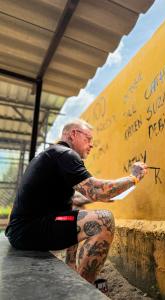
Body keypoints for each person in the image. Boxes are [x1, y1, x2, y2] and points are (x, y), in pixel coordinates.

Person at [5, 118, 147, 285]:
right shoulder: (65, 154)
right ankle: (85, 288)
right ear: (73, 134)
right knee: (104, 220)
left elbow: (77, 197)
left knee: (75, 209)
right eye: (88, 139)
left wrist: (92, 198)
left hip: (24, 230)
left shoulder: (54, 154)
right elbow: (97, 191)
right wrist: (133, 178)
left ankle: (72, 270)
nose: (92, 144)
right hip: (29, 231)